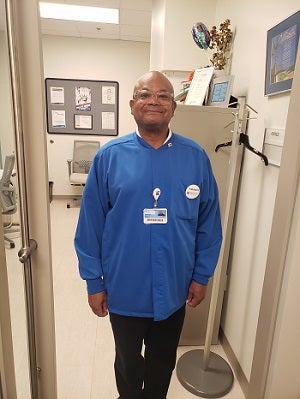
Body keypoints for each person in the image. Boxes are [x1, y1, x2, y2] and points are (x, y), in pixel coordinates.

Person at [74, 70, 222, 399]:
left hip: (173, 288)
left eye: (163, 95)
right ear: (131, 105)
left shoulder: (195, 157)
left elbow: (209, 224)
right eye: (144, 94)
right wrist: (93, 281)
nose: (153, 100)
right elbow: (90, 225)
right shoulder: (109, 158)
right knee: (127, 362)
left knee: (163, 362)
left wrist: (201, 275)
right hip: (124, 288)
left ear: (174, 106)